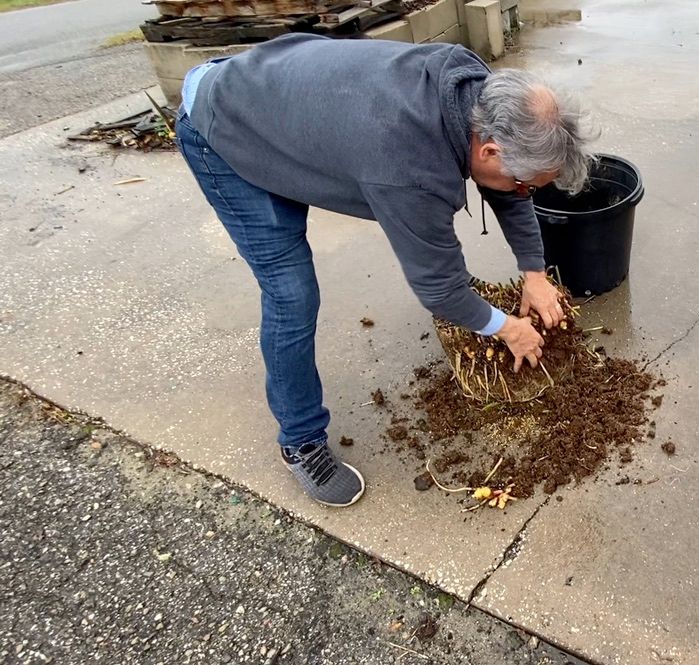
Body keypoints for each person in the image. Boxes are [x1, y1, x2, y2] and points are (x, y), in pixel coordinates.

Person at [176, 33, 594, 508]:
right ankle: (301, 441)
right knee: (291, 293)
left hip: (281, 100)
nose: (523, 193)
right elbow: (440, 288)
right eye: (525, 182)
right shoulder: (407, 163)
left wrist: (534, 274)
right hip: (227, 129)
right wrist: (507, 329)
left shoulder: (476, 93)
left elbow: (507, 189)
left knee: (314, 184)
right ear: (490, 151)